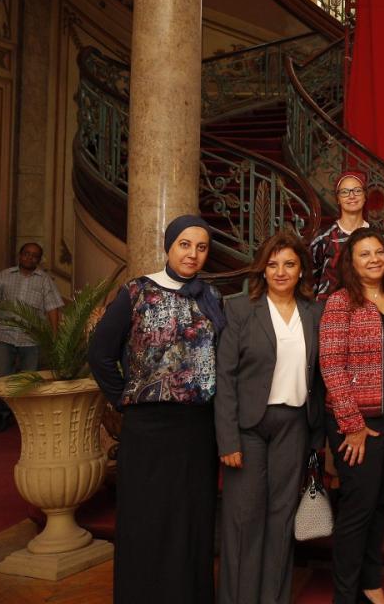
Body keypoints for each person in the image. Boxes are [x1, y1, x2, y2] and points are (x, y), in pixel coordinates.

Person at [88, 215, 226, 603]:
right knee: (146, 520)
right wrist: (125, 399)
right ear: (169, 246)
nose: (193, 254)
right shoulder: (136, 291)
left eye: (201, 247)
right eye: (185, 244)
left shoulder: (210, 298)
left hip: (198, 428)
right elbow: (99, 355)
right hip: (148, 428)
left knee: (191, 522)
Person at [215, 231, 327, 604]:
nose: (280, 272)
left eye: (289, 264)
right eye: (273, 264)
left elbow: (320, 380)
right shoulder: (240, 310)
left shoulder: (315, 312)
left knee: (281, 520)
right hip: (248, 428)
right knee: (245, 521)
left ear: (301, 271)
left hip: (293, 425)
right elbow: (225, 379)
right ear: (262, 270)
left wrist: (318, 440)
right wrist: (227, 440)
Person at [320, 227, 384, 604]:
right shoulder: (340, 303)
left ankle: (370, 583)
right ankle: (344, 594)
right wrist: (353, 425)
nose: (374, 259)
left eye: (379, 252)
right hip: (358, 419)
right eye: (364, 254)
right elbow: (330, 365)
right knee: (358, 508)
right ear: (351, 262)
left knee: (377, 504)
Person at [0, 242, 63, 431]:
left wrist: (53, 338)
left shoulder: (44, 280)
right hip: (5, 335)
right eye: (27, 254)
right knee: (1, 377)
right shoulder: (4, 276)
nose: (30, 258)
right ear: (20, 255)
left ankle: (25, 418)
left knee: (29, 381)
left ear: (39, 259)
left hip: (31, 339)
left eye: (35, 255)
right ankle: (4, 414)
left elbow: (53, 309)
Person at [311, 172, 372, 296]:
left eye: (357, 191)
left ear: (365, 196)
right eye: (344, 192)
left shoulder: (378, 237)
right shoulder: (323, 238)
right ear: (338, 199)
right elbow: (310, 280)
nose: (351, 196)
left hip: (370, 309)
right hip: (327, 310)